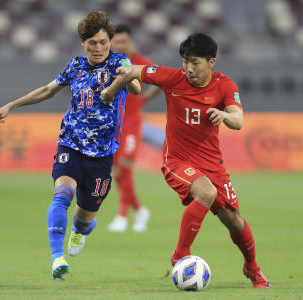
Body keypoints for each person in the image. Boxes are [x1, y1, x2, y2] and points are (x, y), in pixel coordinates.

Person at [101, 33, 271, 288]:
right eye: (185, 61)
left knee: (234, 220)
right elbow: (132, 70)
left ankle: (252, 267)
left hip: (213, 164)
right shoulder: (172, 78)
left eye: (195, 62)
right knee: (206, 192)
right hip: (177, 161)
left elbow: (238, 120)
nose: (188, 69)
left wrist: (224, 115)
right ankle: (180, 253)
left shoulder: (225, 86)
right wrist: (111, 90)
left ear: (211, 62)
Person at [0, 11, 141, 280]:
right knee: (61, 196)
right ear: (83, 42)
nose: (98, 48)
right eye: (92, 43)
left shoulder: (120, 62)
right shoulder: (75, 66)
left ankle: (80, 230)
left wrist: (122, 78)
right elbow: (48, 90)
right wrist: (11, 105)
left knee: (84, 218)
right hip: (70, 145)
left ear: (110, 41)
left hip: (103, 155)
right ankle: (57, 258)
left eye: (103, 42)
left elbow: (137, 87)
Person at [107, 24, 161, 232]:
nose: (120, 45)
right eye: (116, 42)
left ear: (130, 42)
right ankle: (139, 210)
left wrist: (144, 99)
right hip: (112, 124)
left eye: (123, 41)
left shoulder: (139, 63)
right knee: (116, 171)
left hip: (131, 123)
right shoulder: (108, 62)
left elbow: (159, 82)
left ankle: (122, 215)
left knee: (125, 165)